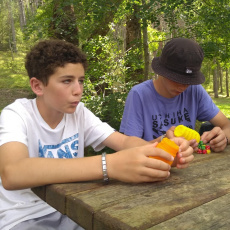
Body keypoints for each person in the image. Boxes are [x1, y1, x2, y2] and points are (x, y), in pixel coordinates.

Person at [0, 39, 193, 230]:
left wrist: (162, 149)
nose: (78, 90)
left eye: (81, 81)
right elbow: (12, 172)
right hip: (22, 217)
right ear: (37, 86)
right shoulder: (17, 114)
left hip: (71, 210)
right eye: (67, 81)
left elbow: (124, 141)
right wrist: (109, 165)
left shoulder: (79, 113)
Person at [120, 38, 230, 153]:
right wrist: (164, 142)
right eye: (177, 79)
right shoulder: (139, 95)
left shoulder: (194, 90)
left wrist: (224, 138)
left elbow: (227, 126)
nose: (183, 86)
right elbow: (128, 150)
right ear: (161, 71)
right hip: (154, 167)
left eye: (188, 81)